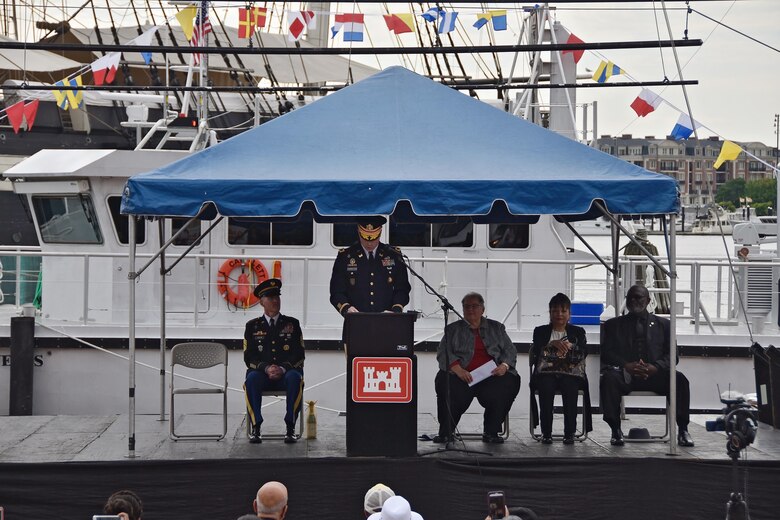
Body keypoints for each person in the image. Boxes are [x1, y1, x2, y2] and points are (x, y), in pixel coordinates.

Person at [600, 284, 694, 447]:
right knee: (608, 379)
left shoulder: (664, 325)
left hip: (654, 374)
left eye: (639, 297)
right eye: (631, 298)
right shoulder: (613, 325)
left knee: (679, 380)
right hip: (626, 375)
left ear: (648, 300)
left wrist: (655, 367)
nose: (634, 301)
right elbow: (607, 354)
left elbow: (673, 355)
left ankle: (683, 430)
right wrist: (627, 365)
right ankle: (615, 430)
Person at [434, 292, 521, 444]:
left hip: (491, 377)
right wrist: (457, 369)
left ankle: (491, 431)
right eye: (466, 306)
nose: (470, 310)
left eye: (475, 306)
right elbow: (443, 352)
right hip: (461, 376)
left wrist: (504, 366)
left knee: (510, 381)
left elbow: (510, 350)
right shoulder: (453, 329)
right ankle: (446, 432)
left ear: (483, 309)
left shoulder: (497, 328)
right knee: (444, 381)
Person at [244, 278, 305, 444]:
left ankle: (290, 426)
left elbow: (299, 354)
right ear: (262, 301)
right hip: (263, 375)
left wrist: (283, 368)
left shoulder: (292, 324)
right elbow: (249, 357)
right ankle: (256, 427)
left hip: (286, 375)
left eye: (277, 297)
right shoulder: (252, 326)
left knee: (295, 378)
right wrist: (265, 368)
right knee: (251, 379)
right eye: (270, 298)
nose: (275, 301)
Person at [530, 293, 592, 444]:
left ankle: (569, 432)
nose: (559, 314)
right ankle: (546, 432)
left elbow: (584, 351)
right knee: (546, 386)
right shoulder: (540, 331)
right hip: (546, 373)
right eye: (555, 311)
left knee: (570, 386)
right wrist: (550, 345)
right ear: (550, 313)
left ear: (569, 314)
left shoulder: (578, 332)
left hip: (570, 373)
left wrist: (573, 346)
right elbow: (536, 351)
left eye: (563, 311)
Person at [329, 216, 411, 316]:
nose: (369, 242)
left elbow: (402, 288)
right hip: (356, 320)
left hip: (387, 319)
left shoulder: (393, 255)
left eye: (373, 238)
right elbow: (336, 291)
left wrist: (396, 309)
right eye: (365, 237)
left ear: (380, 233)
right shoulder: (345, 257)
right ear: (359, 232)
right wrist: (346, 307)